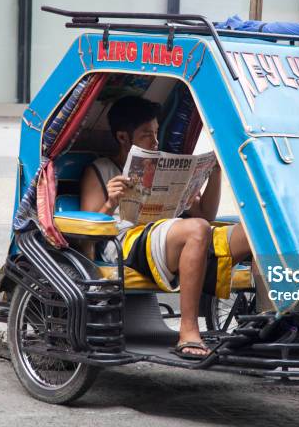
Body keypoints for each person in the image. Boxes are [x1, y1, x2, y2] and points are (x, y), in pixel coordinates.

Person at [79, 96, 251, 359]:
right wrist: (110, 202)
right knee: (197, 229)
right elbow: (87, 229)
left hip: (171, 233)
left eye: (157, 133)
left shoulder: (162, 164)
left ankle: (269, 321)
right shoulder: (100, 169)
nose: (156, 141)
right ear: (123, 137)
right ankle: (188, 331)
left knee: (255, 230)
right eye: (147, 134)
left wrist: (214, 173)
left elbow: (204, 213)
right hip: (127, 243)